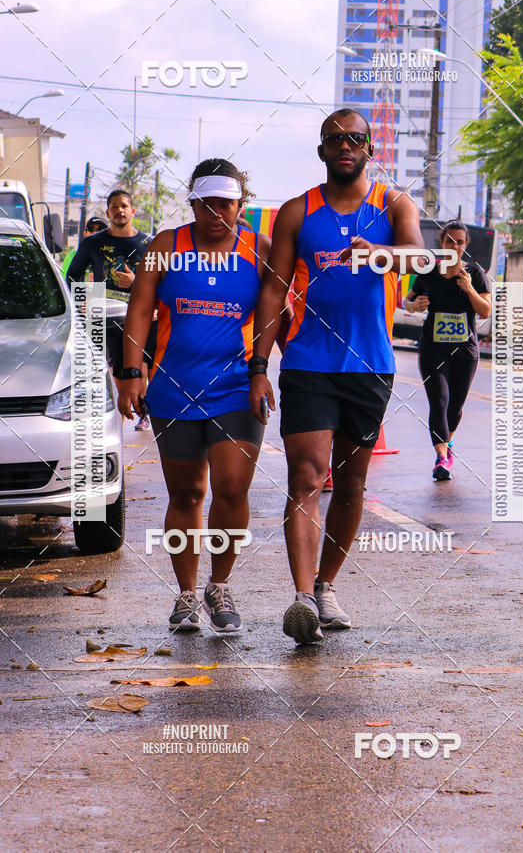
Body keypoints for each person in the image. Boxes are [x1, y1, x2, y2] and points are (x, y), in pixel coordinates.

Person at [249, 108, 423, 645]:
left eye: (355, 139)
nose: (345, 146)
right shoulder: (298, 212)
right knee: (307, 476)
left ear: (371, 150)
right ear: (322, 150)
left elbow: (421, 257)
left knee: (351, 484)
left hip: (371, 365)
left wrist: (385, 254)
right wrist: (260, 365)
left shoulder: (393, 204)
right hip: (308, 362)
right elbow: (274, 290)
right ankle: (302, 599)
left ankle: (326, 587)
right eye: (334, 140)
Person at [118, 158, 289, 634]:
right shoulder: (166, 245)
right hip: (174, 387)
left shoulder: (260, 248)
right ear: (193, 202)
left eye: (226, 204)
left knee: (232, 488)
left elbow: (275, 313)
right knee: (187, 493)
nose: (217, 213)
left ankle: (220, 584)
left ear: (241, 205)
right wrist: (132, 372)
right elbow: (140, 307)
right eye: (206, 204)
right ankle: (187, 595)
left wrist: (261, 369)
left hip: (237, 385)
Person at [404, 220, 491, 481]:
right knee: (438, 401)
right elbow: (408, 301)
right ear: (442, 243)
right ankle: (442, 458)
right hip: (433, 348)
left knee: (455, 406)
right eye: (449, 241)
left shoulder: (474, 273)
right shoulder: (429, 272)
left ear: (465, 246)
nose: (454, 246)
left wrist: (469, 289)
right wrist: (413, 305)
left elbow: (485, 311)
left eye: (460, 242)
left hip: (465, 351)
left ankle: (448, 446)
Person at [66, 191, 154, 429]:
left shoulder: (148, 244)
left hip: (141, 317)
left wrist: (135, 282)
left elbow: (161, 280)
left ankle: (144, 411)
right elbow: (72, 275)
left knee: (143, 365)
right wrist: (83, 299)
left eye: (124, 206)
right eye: (114, 206)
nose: (119, 210)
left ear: (132, 211)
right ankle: (112, 418)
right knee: (112, 370)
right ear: (108, 212)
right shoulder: (92, 243)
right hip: (103, 318)